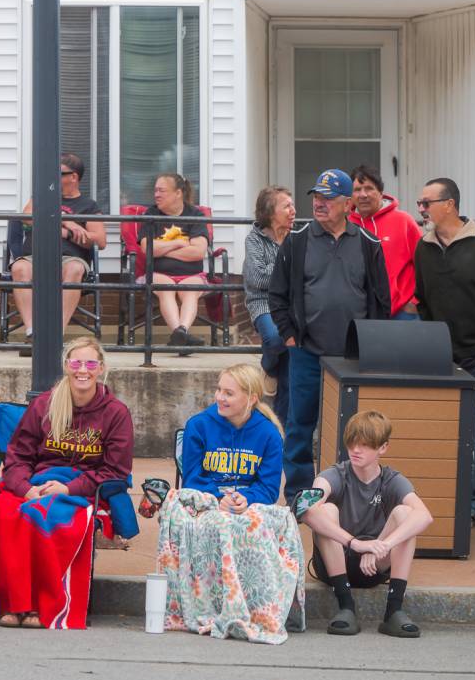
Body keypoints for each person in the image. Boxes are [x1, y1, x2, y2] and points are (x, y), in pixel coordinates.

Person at [0, 338, 135, 630]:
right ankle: (11, 604)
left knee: (44, 515)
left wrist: (68, 489)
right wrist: (25, 489)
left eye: (91, 363)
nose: (83, 370)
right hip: (35, 483)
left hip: (81, 489)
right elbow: (17, 456)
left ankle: (39, 606)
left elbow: (115, 470)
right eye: (76, 363)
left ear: (101, 368)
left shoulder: (115, 413)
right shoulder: (45, 403)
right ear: (66, 366)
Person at [158, 363, 305, 644]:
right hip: (209, 501)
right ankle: (209, 606)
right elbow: (192, 478)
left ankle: (259, 609)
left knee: (251, 523)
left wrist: (245, 498)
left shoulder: (269, 433)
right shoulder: (198, 425)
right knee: (217, 522)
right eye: (219, 390)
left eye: (229, 393)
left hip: (248, 504)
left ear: (251, 398)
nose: (219, 398)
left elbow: (269, 488)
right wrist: (218, 497)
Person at [269, 168, 391, 502]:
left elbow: (381, 299)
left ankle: (345, 494)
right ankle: (298, 495)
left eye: (328, 198)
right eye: (316, 197)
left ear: (348, 204)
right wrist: (290, 336)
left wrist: (373, 344)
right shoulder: (296, 242)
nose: (320, 204)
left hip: (353, 357)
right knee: (299, 426)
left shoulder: (368, 244)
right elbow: (277, 295)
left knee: (352, 431)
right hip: (306, 351)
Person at [413, 176, 475, 533]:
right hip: (449, 358)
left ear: (449, 205)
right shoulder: (424, 248)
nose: (421, 209)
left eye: (426, 203)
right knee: (464, 436)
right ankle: (474, 503)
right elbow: (423, 301)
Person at [303, 410, 433, 638]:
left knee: (406, 514)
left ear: (383, 448)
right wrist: (355, 544)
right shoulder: (335, 474)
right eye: (352, 443)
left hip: (374, 565)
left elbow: (425, 516)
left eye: (364, 445)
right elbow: (304, 508)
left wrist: (380, 545)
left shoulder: (391, 480)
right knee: (325, 509)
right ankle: (345, 606)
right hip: (335, 562)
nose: (355, 450)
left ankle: (394, 610)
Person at [11, 153, 106, 356]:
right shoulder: (42, 196)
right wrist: (65, 220)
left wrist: (68, 233)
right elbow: (27, 219)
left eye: (60, 174)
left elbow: (100, 240)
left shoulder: (88, 206)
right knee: (19, 268)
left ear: (74, 177)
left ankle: (54, 336)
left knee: (74, 269)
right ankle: (32, 334)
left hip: (69, 258)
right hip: (35, 256)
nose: (53, 178)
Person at [138, 173, 210, 353]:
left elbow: (198, 252)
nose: (156, 195)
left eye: (161, 190)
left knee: (190, 292)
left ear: (178, 193)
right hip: (159, 274)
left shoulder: (195, 215)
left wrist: (163, 249)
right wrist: (178, 243)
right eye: (155, 190)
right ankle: (182, 335)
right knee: (166, 290)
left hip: (192, 274)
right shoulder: (151, 214)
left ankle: (180, 334)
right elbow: (147, 250)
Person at [242, 185, 296, 424]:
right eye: (287, 206)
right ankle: (268, 367)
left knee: (290, 364)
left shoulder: (297, 237)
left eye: (292, 205)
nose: (293, 210)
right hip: (262, 302)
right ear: (270, 211)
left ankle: (281, 426)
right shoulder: (254, 239)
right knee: (275, 339)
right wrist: (287, 274)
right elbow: (257, 279)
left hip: (291, 303)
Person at [349, 164, 421, 320]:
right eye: (357, 190)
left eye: (369, 188)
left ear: (380, 193)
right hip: (359, 314)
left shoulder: (404, 221)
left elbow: (425, 264)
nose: (363, 195)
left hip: (402, 313)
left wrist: (415, 302)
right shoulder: (345, 225)